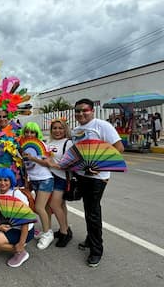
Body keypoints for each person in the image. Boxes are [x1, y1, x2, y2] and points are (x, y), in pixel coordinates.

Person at [72, 98, 124, 267]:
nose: (80, 113)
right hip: (81, 175)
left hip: (96, 178)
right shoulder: (76, 130)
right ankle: (90, 239)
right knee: (89, 209)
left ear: (92, 110)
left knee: (93, 212)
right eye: (77, 111)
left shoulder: (102, 126)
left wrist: (100, 166)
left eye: (84, 110)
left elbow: (119, 148)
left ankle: (96, 250)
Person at [0, 168, 34, 268]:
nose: (2, 183)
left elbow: (26, 221)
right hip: (6, 226)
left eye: (6, 180)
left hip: (22, 230)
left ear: (11, 180)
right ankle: (14, 247)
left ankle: (21, 251)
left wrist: (21, 243)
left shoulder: (17, 195)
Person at [19, 122, 54, 250]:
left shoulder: (41, 144)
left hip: (45, 179)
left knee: (39, 208)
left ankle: (47, 234)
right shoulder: (22, 145)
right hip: (33, 180)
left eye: (32, 132)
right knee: (34, 206)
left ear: (36, 133)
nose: (29, 134)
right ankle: (46, 230)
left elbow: (48, 163)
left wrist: (33, 158)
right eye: (27, 131)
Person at [46, 118, 73, 247]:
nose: (57, 131)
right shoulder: (49, 142)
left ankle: (64, 232)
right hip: (49, 177)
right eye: (55, 128)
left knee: (54, 205)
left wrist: (54, 165)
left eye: (60, 128)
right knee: (61, 205)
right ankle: (65, 227)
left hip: (61, 178)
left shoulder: (68, 143)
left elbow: (71, 164)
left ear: (65, 129)